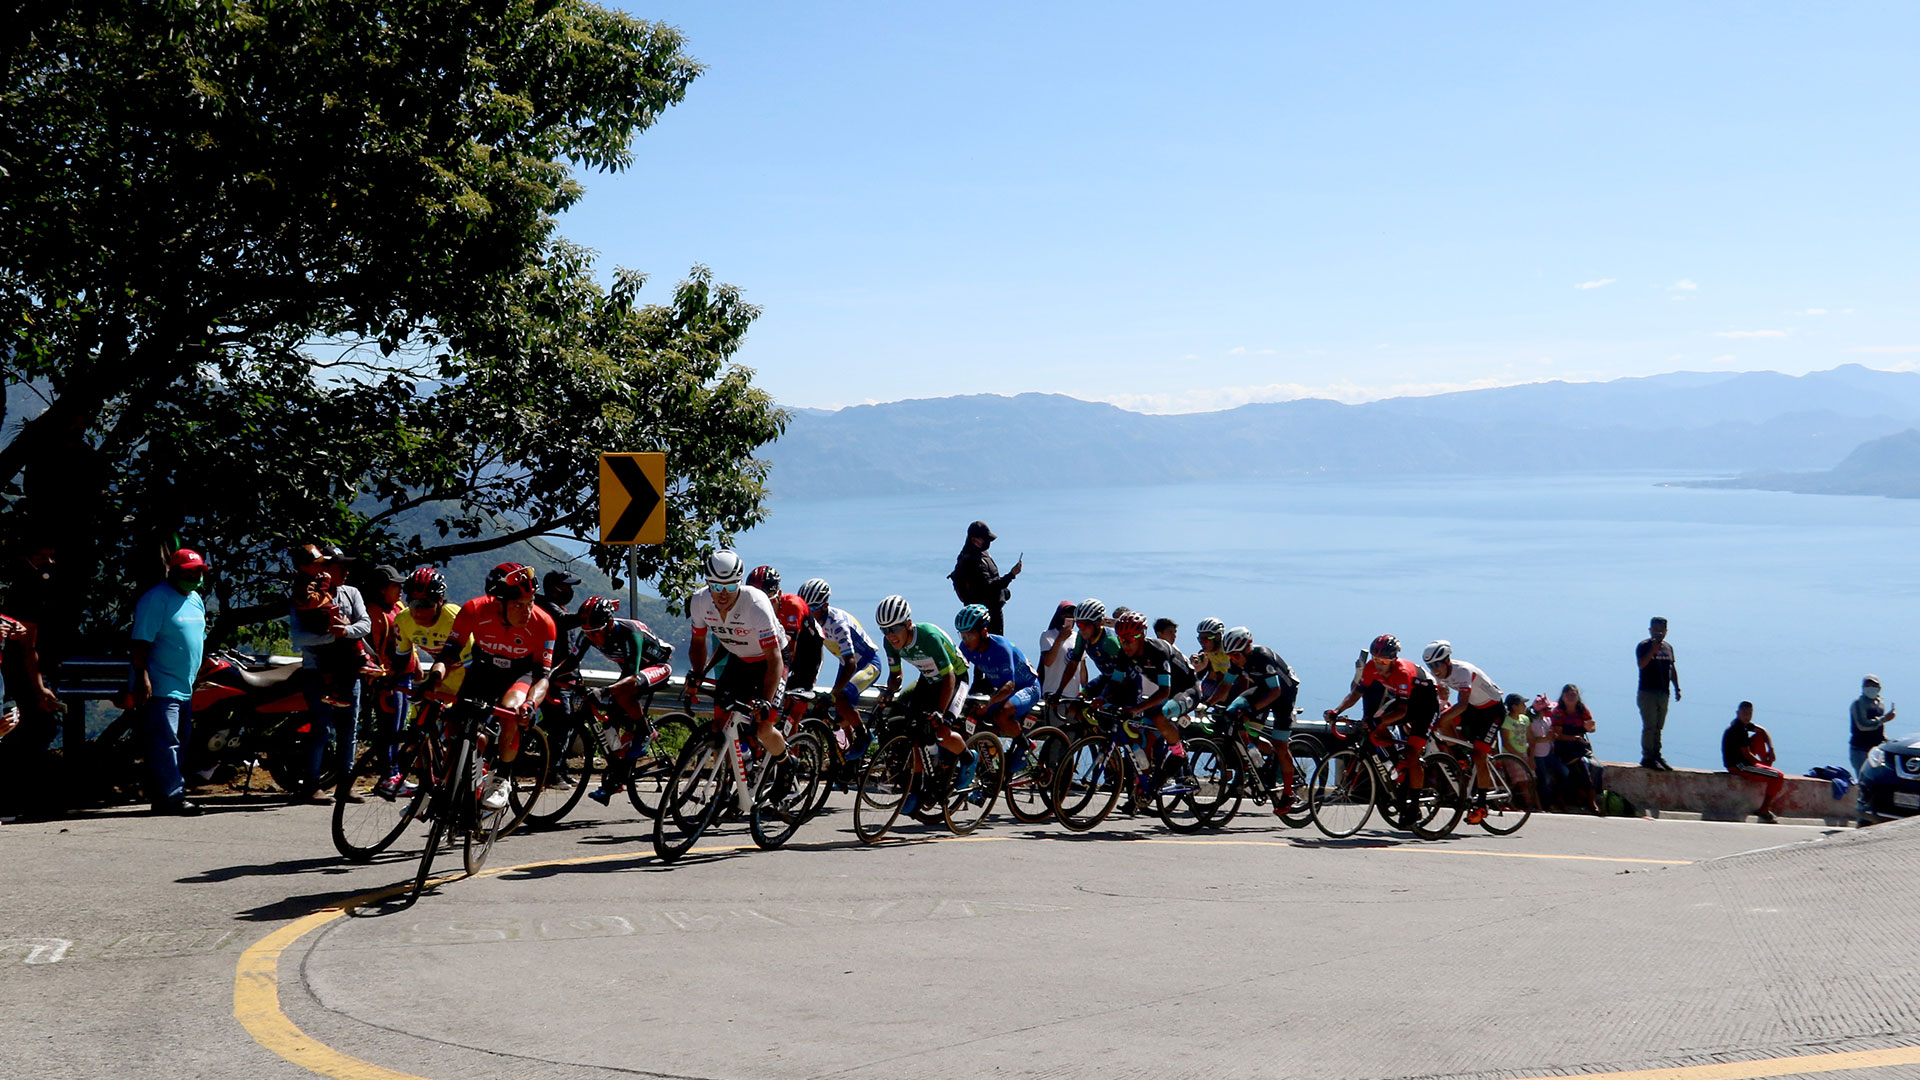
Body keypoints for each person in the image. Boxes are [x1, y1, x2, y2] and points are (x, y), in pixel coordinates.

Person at [423, 562, 557, 811]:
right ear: (497, 603)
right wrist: (434, 678)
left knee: (511, 712)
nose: (527, 611)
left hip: (521, 673)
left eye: (530, 602)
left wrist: (530, 704)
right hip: (483, 669)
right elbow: (449, 653)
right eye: (519, 605)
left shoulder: (544, 623)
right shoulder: (474, 610)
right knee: (455, 728)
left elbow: (542, 677)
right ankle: (444, 789)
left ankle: (502, 777)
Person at [683, 550, 788, 762]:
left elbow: (774, 659)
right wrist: (697, 674)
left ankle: (785, 763)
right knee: (721, 725)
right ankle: (727, 777)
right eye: (716, 587)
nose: (723, 594)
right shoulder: (700, 601)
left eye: (731, 587)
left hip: (770, 661)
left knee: (763, 729)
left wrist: (765, 702)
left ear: (740, 583)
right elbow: (698, 643)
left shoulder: (756, 604)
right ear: (707, 583)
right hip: (739, 658)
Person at [571, 595, 676, 806]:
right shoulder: (589, 633)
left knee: (621, 693)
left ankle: (646, 731)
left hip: (657, 667)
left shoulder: (630, 632)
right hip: (630, 672)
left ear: (609, 624)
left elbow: (631, 676)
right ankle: (617, 776)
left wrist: (604, 692)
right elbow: (571, 661)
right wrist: (550, 676)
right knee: (612, 722)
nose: (591, 637)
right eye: (587, 632)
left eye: (595, 632)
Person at [1323, 635, 1437, 826]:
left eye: (1383, 661)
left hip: (1425, 704)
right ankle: (1397, 767)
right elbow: (1356, 693)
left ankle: (1413, 806)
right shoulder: (1371, 667)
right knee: (1374, 726)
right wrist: (1337, 711)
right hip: (1403, 700)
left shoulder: (1402, 672)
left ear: (1393, 659)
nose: (1379, 664)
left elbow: (1402, 711)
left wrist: (1378, 722)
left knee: (1412, 752)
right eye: (1376, 659)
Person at [289, 543, 371, 803]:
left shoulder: (352, 593)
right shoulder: (304, 595)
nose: (345, 572)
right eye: (339, 566)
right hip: (317, 671)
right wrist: (333, 637)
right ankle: (311, 785)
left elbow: (365, 624)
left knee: (349, 729)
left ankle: (345, 785)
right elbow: (299, 637)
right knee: (319, 729)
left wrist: (345, 631)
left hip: (349, 671)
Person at [130, 550, 209, 815]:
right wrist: (142, 678)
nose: (195, 576)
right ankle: (173, 797)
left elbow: (196, 639)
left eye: (199, 571)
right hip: (162, 684)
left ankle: (163, 794)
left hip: (186, 685)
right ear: (173, 572)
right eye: (189, 572)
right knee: (166, 741)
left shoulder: (195, 599)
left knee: (180, 741)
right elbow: (141, 642)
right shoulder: (155, 599)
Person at [0, 538, 69, 820]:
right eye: (41, 556)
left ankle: (23, 801)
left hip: (27, 674)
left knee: (28, 734)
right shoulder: (25, 591)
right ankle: (22, 802)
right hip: (22, 676)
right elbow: (28, 646)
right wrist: (39, 687)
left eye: (51, 556)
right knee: (31, 733)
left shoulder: (34, 589)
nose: (48, 563)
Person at [875, 595, 973, 790]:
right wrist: (889, 691)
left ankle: (968, 759)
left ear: (908, 624)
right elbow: (896, 675)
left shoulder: (928, 637)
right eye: (884, 630)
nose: (890, 635)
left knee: (942, 729)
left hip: (955, 679)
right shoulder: (889, 643)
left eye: (894, 629)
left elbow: (949, 678)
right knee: (913, 729)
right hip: (929, 680)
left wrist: (940, 712)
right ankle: (918, 785)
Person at [1219, 626, 1303, 814]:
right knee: (1234, 713)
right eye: (1229, 656)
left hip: (1283, 694)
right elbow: (1225, 685)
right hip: (1263, 690)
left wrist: (1251, 710)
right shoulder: (1237, 659)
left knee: (1281, 745)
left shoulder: (1263, 657)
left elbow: (1276, 691)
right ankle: (1257, 762)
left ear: (1247, 648)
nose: (1233, 659)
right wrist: (1206, 703)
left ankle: (1288, 793)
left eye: (1235, 655)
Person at [795, 578, 884, 751]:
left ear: (825, 606)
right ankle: (849, 751)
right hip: (846, 664)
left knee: (840, 698)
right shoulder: (811, 622)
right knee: (838, 712)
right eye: (805, 608)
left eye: (813, 609)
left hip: (867, 664)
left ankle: (864, 736)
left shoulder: (837, 624)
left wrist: (833, 695)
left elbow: (851, 663)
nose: (808, 613)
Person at [1423, 640, 1505, 824]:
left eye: (1437, 665)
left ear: (1447, 661)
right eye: (1430, 666)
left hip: (1493, 711)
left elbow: (1462, 704)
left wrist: (1439, 720)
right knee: (1444, 722)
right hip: (1474, 709)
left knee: (1478, 755)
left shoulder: (1463, 671)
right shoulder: (1439, 673)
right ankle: (1460, 757)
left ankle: (1482, 805)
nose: (1434, 670)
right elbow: (1437, 695)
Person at [954, 604, 1042, 746]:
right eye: (962, 635)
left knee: (1002, 714)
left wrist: (988, 705)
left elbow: (1009, 686)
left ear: (983, 632)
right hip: (1003, 689)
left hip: (1028, 687)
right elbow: (957, 673)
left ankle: (1025, 745)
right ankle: (993, 753)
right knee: (976, 716)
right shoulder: (965, 647)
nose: (965, 640)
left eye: (970, 635)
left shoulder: (1001, 648)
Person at [947, 520, 1021, 635]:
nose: (988, 542)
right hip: (983, 616)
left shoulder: (981, 554)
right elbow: (989, 587)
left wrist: (1003, 592)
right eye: (985, 539)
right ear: (974, 540)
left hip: (991, 610)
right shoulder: (971, 561)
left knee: (996, 642)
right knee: (993, 643)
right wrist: (1011, 575)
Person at [1722, 701, 1784, 824]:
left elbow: (1763, 731)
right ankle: (1764, 810)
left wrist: (1771, 749)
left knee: (1759, 737)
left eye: (1750, 713)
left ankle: (1764, 766)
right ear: (1738, 713)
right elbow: (1747, 755)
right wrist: (1764, 765)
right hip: (1739, 765)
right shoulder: (1738, 729)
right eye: (1744, 713)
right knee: (1778, 776)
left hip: (1745, 761)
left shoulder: (1745, 725)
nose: (1747, 716)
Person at [1635, 616, 1681, 771]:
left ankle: (1657, 755)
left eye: (1661, 630)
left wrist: (1677, 687)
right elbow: (1641, 664)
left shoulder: (1668, 648)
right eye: (1655, 630)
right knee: (1650, 725)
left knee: (1658, 726)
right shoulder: (1643, 646)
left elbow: (1671, 668)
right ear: (1650, 630)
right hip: (1647, 692)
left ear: (1666, 631)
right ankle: (1648, 757)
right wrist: (1653, 649)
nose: (1658, 633)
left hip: (1663, 692)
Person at [1550, 684, 1601, 814]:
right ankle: (1589, 800)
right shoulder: (1558, 712)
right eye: (1567, 694)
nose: (1570, 697)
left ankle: (1592, 797)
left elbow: (1591, 727)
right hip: (1564, 746)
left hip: (1580, 746)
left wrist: (1590, 728)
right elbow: (1557, 735)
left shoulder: (1582, 709)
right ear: (1563, 697)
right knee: (1582, 765)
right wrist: (1573, 738)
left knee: (1596, 766)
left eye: (1573, 694)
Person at [1849, 676, 1894, 783]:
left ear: (1879, 688)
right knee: (1864, 779)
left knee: (1878, 780)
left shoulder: (1880, 704)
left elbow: (1879, 728)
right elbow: (1862, 725)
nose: (1871, 688)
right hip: (1860, 749)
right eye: (1868, 685)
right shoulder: (1858, 703)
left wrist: (1886, 741)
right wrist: (1884, 719)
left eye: (1874, 685)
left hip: (1876, 750)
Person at [1037, 600, 1084, 700]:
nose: (1069, 618)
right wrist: (1060, 638)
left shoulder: (1079, 638)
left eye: (1071, 616)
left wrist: (1085, 690)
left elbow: (1082, 667)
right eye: (1066, 615)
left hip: (1073, 694)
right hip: (1052, 691)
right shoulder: (1048, 635)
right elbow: (1048, 662)